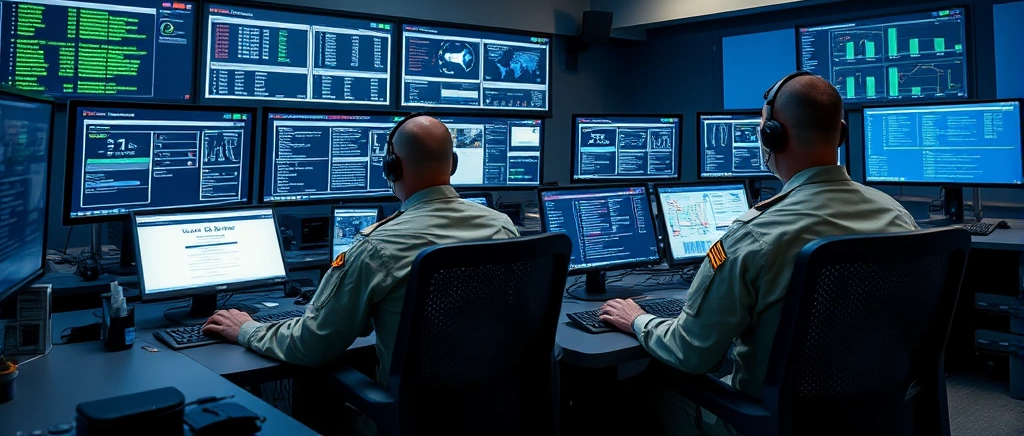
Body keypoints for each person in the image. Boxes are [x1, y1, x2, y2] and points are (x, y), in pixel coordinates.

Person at [598, 72, 919, 436]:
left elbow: (690, 352)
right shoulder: (897, 216)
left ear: (773, 137)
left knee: (656, 383)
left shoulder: (754, 235)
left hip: (772, 422)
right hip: (877, 416)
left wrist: (638, 318)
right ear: (841, 133)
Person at [202, 114, 519, 387]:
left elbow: (311, 344)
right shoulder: (501, 226)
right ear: (453, 164)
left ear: (392, 167)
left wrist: (246, 330)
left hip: (414, 417)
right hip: (500, 410)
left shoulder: (375, 247)